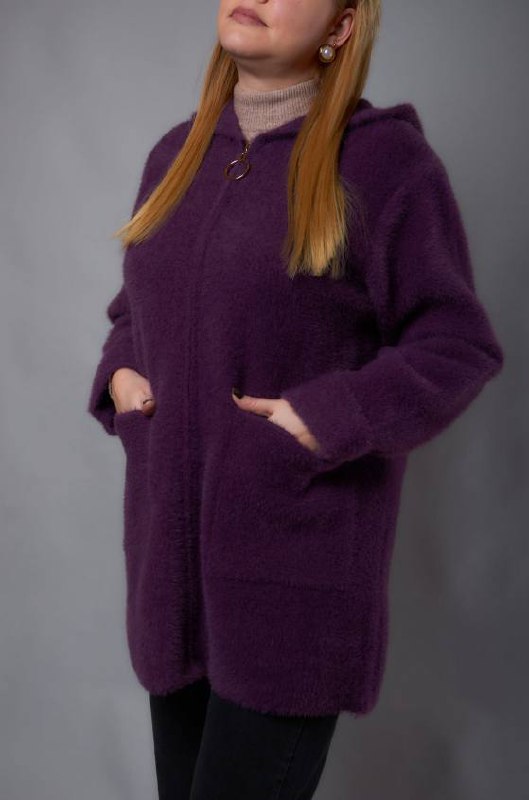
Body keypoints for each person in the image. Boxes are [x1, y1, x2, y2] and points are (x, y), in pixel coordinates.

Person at [87, 1, 505, 798]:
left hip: (292, 581)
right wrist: (121, 376)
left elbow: (455, 344)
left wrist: (321, 420)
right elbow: (133, 313)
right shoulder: (176, 154)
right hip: (171, 582)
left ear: (339, 28)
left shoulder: (383, 164)